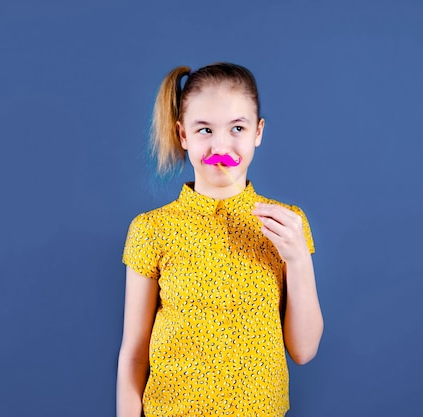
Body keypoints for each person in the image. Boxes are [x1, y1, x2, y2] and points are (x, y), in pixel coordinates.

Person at [116, 62, 323, 417]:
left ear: (258, 132)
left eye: (237, 128)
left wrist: (298, 259)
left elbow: (303, 351)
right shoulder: (151, 229)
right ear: (183, 135)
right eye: (205, 130)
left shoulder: (288, 224)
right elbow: (135, 353)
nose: (221, 144)